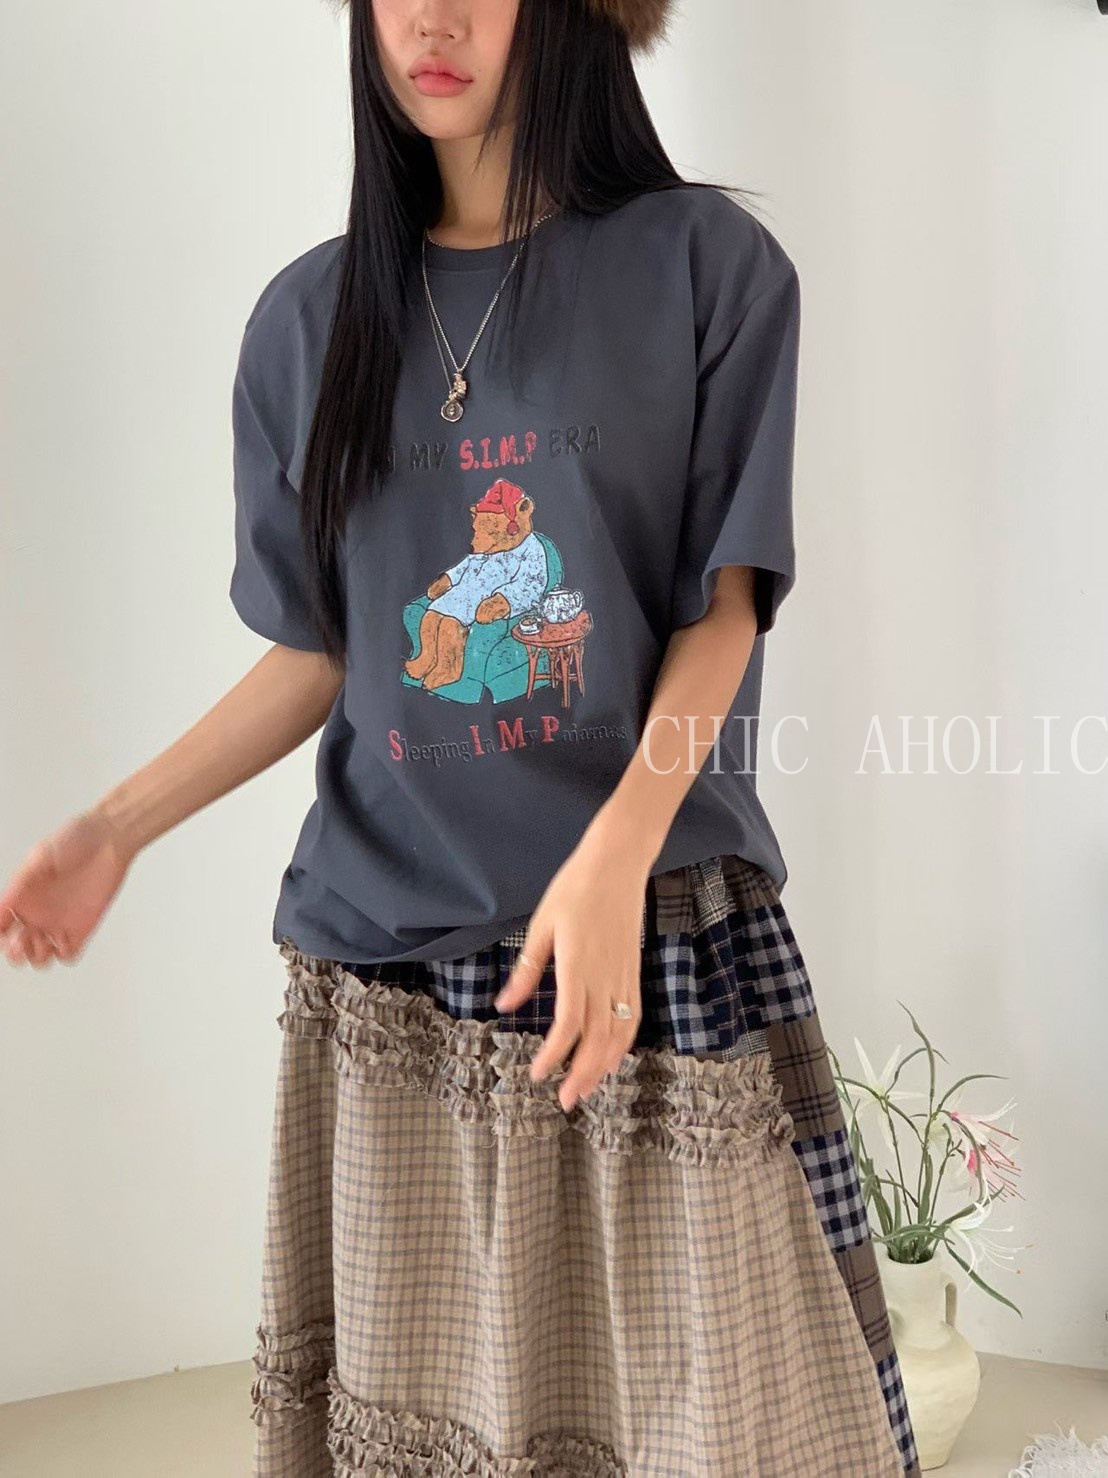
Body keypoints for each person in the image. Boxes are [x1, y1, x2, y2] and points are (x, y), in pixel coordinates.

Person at [0, 1, 923, 1473]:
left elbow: (725, 608)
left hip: (643, 946)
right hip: (392, 971)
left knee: (723, 1428)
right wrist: (115, 826)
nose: (429, 18)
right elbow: (323, 654)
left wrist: (614, 857)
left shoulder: (706, 268)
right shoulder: (307, 325)